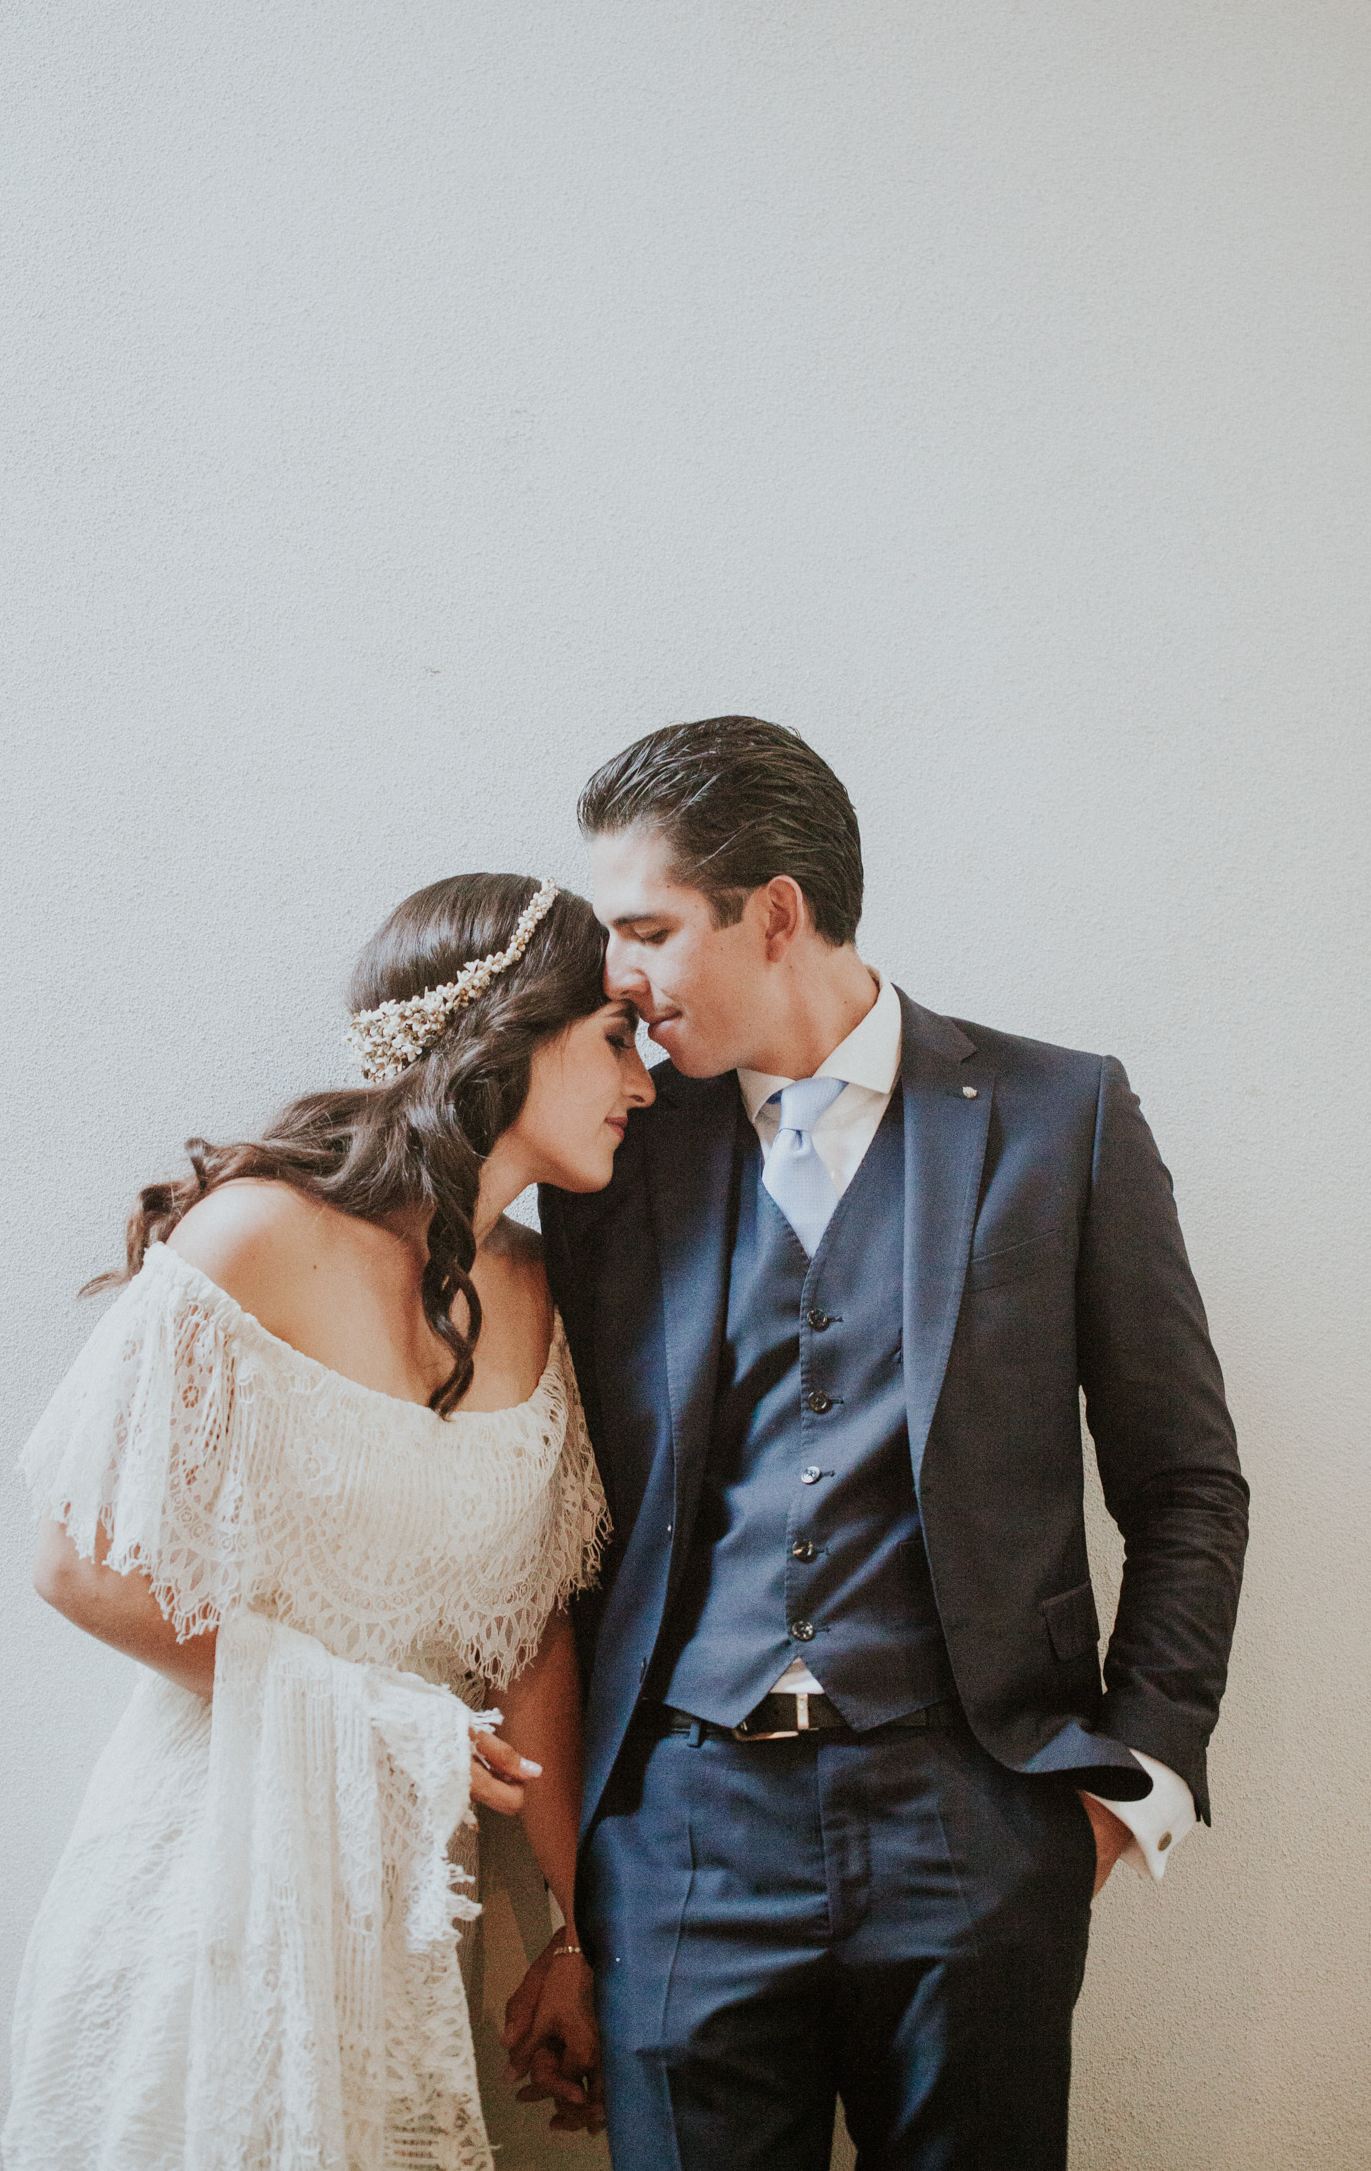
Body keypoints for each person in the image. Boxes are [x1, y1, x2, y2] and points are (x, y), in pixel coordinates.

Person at [512, 719, 1248, 2170]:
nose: (623, 978)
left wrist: (1129, 1790)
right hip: (682, 1838)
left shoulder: (1060, 1115)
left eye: (652, 928)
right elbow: (567, 1516)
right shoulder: (612, 1154)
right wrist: (588, 1885)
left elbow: (1185, 1483)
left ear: (775, 912)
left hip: (971, 1821)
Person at [4, 873, 642, 2171]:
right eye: (617, 1037)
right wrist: (376, 1719)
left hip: (399, 1921)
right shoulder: (258, 1234)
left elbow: (527, 1645)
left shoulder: (538, 1293)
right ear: (509, 1032)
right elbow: (76, 1565)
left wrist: (577, 1936)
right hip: (208, 1878)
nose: (644, 1081)